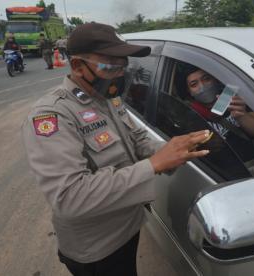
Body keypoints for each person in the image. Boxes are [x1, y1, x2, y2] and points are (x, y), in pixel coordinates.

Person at [22, 23, 210, 276]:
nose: (119, 75)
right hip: (97, 246)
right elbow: (70, 197)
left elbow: (137, 138)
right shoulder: (53, 116)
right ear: (78, 67)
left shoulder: (107, 97)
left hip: (127, 225)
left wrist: (172, 149)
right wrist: (154, 165)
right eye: (110, 66)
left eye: (123, 66)